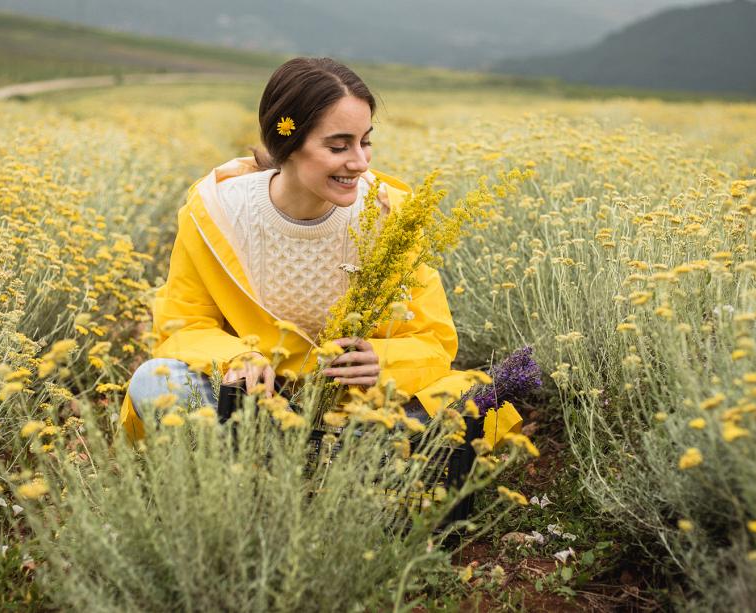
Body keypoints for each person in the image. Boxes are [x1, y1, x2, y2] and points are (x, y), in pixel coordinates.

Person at [118, 57, 521, 447]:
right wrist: (235, 358)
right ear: (289, 143)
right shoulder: (216, 212)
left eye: (365, 142)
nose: (360, 162)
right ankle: (334, 458)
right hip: (254, 405)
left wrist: (383, 360)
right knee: (155, 380)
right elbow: (182, 326)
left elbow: (433, 341)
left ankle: (306, 454)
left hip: (358, 409)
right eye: (338, 146)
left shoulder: (389, 216)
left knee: (478, 395)